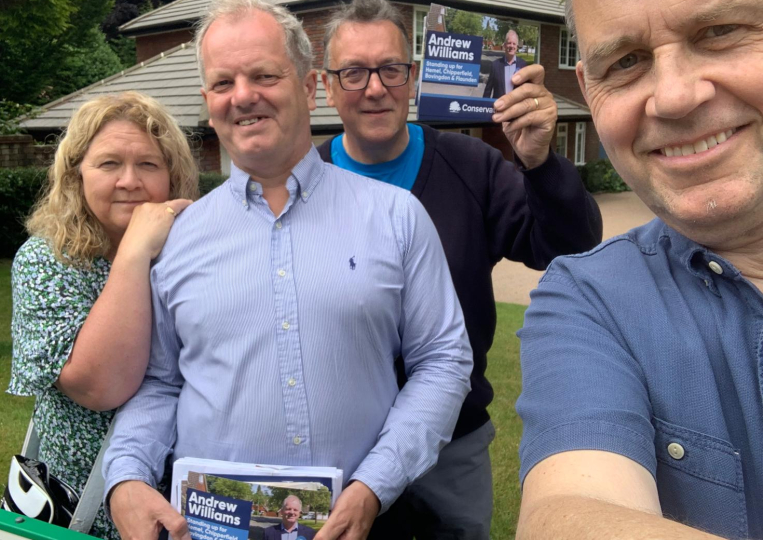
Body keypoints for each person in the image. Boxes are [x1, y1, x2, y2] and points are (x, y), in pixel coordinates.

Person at [102, 1, 473, 539]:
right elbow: (160, 382)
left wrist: (374, 485)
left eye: (263, 75)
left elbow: (442, 361)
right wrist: (127, 477)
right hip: (214, 526)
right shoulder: (178, 239)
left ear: (309, 86)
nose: (243, 96)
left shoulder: (395, 217)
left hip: (361, 524)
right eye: (223, 82)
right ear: (208, 104)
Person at [317, 0, 602, 537]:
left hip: (452, 445)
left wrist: (540, 163)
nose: (374, 88)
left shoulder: (472, 168)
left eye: (390, 69)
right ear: (328, 88)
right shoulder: (303, 182)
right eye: (353, 72)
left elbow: (569, 246)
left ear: (413, 78)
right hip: (341, 448)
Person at [515, 0, 763, 538]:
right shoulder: (590, 300)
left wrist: (540, 166)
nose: (674, 97)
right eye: (625, 62)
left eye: (720, 31)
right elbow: (568, 513)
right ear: (587, 89)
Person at [7, 91, 198, 539]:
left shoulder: (197, 255)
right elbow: (100, 387)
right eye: (109, 163)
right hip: (82, 510)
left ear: (174, 176)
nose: (129, 180)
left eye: (149, 165)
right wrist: (134, 252)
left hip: (190, 499)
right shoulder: (46, 262)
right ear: (76, 175)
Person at [482, 30, 527, 99]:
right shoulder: (495, 65)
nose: (511, 46)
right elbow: (488, 90)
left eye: (514, 44)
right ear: (505, 45)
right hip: (499, 107)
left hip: (516, 107)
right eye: (509, 43)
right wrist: (484, 106)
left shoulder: (523, 65)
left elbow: (526, 89)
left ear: (517, 47)